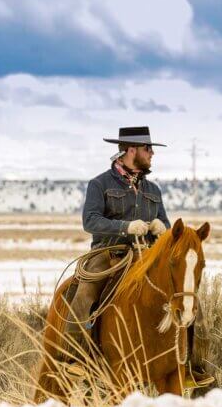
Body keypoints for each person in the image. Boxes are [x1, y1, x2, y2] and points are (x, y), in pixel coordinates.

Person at [65, 126, 213, 389]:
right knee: (84, 294)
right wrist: (125, 227)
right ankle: (75, 359)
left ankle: (189, 364)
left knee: (185, 298)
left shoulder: (153, 190)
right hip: (108, 254)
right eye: (148, 149)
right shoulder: (100, 184)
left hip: (146, 255)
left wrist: (161, 228)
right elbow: (90, 221)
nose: (152, 153)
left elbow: (169, 227)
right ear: (131, 150)